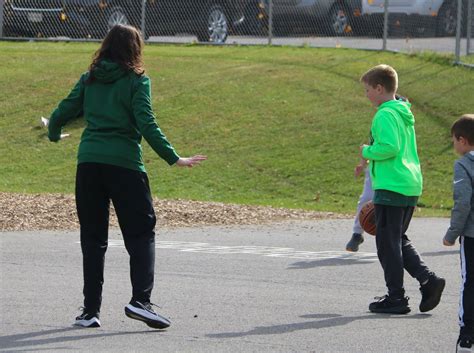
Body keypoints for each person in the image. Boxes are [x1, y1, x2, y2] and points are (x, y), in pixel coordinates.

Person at [48, 24, 206, 329]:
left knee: (93, 238)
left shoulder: (90, 78)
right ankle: (140, 301)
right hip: (125, 166)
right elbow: (146, 123)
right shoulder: (137, 81)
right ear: (135, 49)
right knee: (141, 232)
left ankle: (90, 311)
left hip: (89, 164)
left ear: (106, 46)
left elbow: (63, 111)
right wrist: (174, 158)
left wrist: (54, 132)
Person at [359, 64, 445, 314]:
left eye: (367, 90)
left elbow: (390, 147)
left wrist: (366, 151)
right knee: (396, 239)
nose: (366, 95)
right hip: (409, 183)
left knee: (387, 244)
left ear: (379, 88)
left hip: (392, 184)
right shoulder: (402, 111)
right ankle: (428, 280)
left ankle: (396, 297)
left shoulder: (385, 114)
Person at [443, 114, 474, 353]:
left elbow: (463, 202)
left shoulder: (463, 164)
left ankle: (467, 336)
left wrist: (452, 233)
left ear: (463, 140)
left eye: (454, 140)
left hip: (472, 235)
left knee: (470, 282)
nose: (454, 144)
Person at [346, 163, 373, 252]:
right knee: (365, 199)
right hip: (375, 167)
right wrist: (362, 163)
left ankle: (396, 236)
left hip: (393, 169)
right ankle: (357, 234)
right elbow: (364, 148)